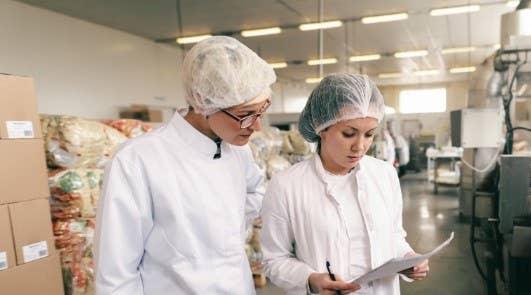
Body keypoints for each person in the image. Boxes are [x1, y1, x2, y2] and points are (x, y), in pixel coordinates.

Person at [94, 36, 276, 294]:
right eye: (246, 115)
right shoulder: (137, 161)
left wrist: (223, 221)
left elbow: (256, 191)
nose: (256, 126)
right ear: (203, 102)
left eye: (261, 111)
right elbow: (116, 274)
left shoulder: (237, 150)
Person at [260, 73, 429, 295]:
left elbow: (395, 236)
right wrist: (310, 279)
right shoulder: (286, 185)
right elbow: (273, 259)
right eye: (349, 134)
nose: (360, 146)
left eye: (369, 134)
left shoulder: (385, 175)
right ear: (321, 128)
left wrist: (408, 258)